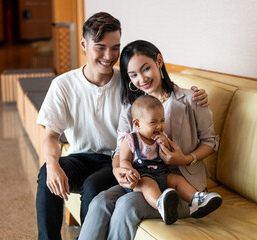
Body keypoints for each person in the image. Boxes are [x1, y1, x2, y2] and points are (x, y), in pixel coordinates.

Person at [36, 12, 208, 239]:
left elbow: (159, 90)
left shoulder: (129, 83)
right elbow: (50, 136)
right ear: (83, 44)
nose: (109, 56)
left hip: (115, 159)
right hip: (81, 157)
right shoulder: (63, 85)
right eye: (100, 47)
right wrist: (52, 164)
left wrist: (196, 92)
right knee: (46, 173)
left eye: (115, 47)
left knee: (92, 186)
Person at [78, 40, 220, 240]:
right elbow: (120, 150)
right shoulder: (130, 109)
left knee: (127, 205)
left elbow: (210, 143)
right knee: (100, 201)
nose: (141, 79)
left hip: (182, 185)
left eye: (146, 69)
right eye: (133, 75)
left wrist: (185, 159)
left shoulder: (192, 100)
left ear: (159, 62)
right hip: (142, 179)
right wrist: (118, 170)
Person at [119, 95, 222, 225]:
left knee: (177, 180)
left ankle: (196, 200)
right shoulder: (130, 140)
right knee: (148, 184)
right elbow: (124, 160)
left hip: (162, 173)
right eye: (153, 122)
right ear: (137, 124)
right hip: (141, 176)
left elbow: (168, 154)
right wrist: (129, 171)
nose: (159, 126)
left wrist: (165, 144)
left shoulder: (162, 137)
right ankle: (161, 205)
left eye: (162, 121)